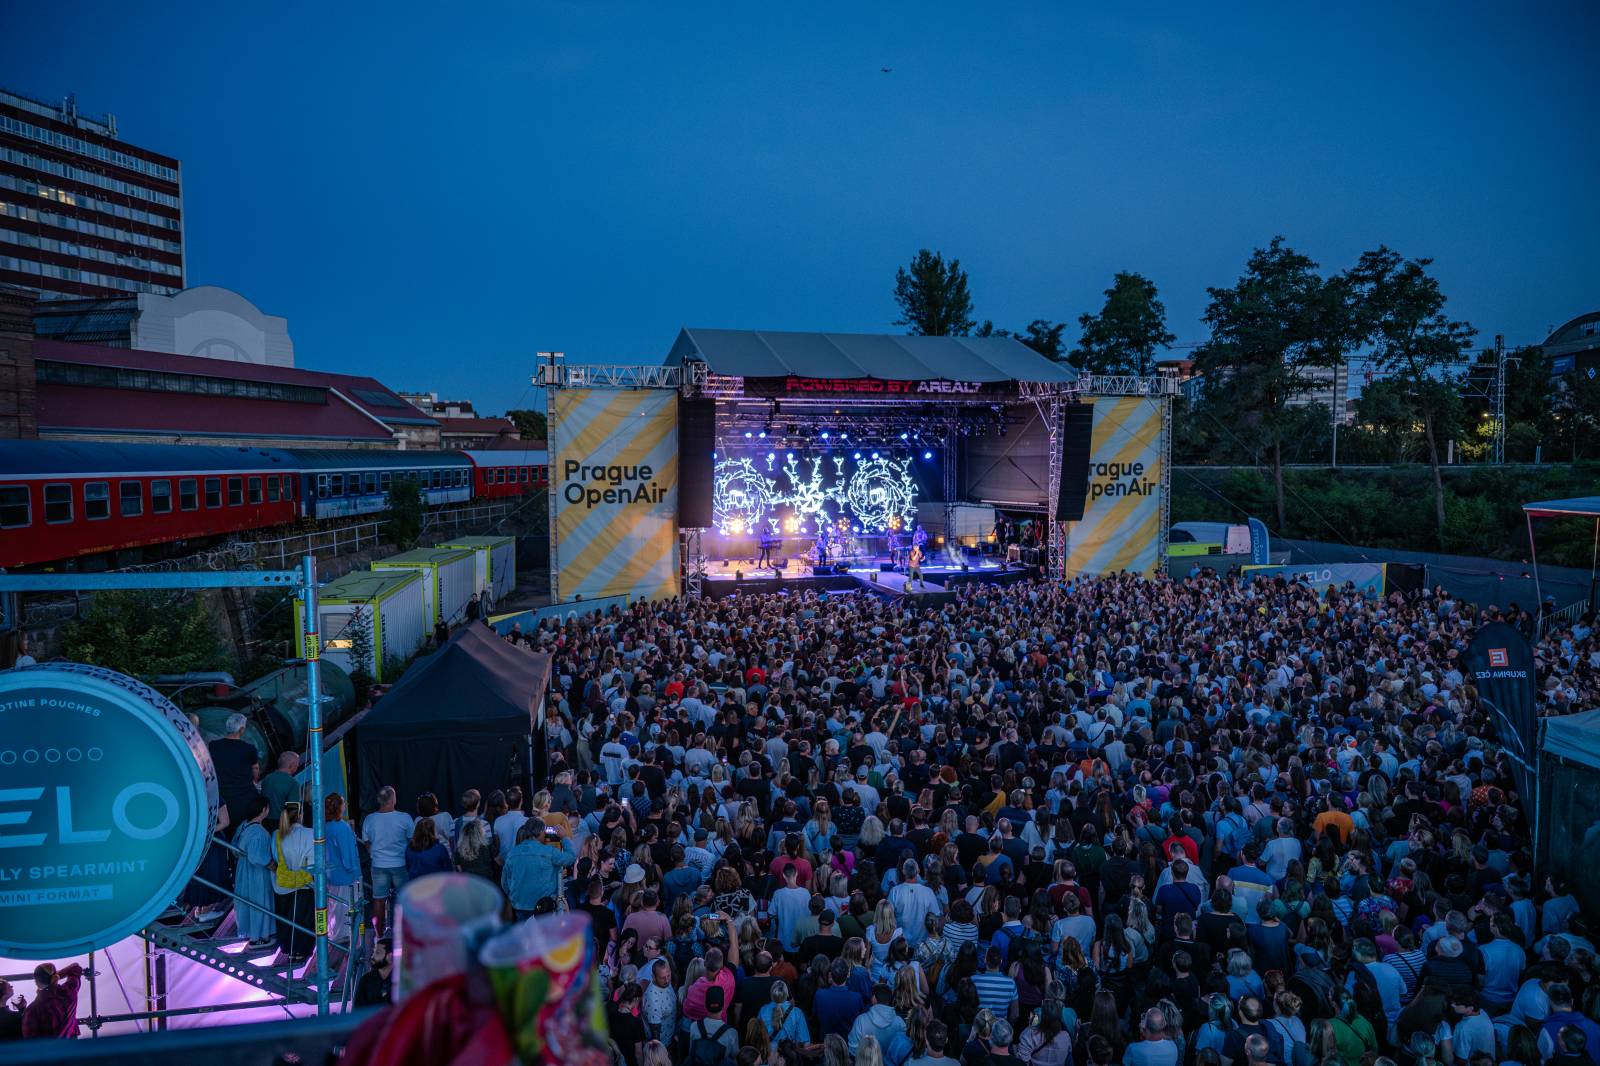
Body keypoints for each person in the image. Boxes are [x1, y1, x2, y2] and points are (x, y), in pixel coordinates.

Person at [361, 786, 414, 935]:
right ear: (392, 799)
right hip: (400, 864)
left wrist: (375, 854)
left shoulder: (369, 819)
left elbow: (366, 843)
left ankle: (379, 936)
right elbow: (412, 841)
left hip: (378, 865)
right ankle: (404, 934)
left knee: (378, 900)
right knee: (404, 899)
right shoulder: (405, 818)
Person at [501, 819, 577, 919]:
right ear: (541, 832)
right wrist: (564, 837)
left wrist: (516, 896)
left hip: (520, 905)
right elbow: (571, 857)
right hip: (543, 906)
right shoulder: (549, 852)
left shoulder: (512, 853)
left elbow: (505, 883)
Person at [272, 801, 316, 961]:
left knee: (287, 920)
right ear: (301, 815)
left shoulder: (277, 834)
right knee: (304, 921)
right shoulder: (311, 833)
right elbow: (314, 861)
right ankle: (302, 952)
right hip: (305, 884)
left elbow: (276, 858)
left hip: (283, 886)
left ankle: (289, 950)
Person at [232, 795, 277, 947]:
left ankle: (252, 933)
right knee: (260, 902)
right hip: (257, 873)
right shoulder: (259, 832)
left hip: (243, 871)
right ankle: (259, 937)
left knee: (247, 902)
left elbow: (235, 848)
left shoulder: (243, 826)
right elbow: (258, 857)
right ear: (264, 810)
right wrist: (274, 867)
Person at [208, 712, 261, 830]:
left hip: (222, 798)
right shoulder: (249, 749)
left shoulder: (213, 746)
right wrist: (255, 781)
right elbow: (255, 769)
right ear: (241, 730)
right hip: (245, 798)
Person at [21, 963, 82, 1039]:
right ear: (55, 977)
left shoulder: (32, 1010)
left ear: (37, 982)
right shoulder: (69, 992)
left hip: (49, 1047)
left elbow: (30, 1040)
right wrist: (56, 976)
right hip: (72, 1046)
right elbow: (75, 967)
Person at [688, 985, 738, 1065]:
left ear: (705, 1006)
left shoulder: (694, 1026)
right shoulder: (731, 1033)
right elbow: (734, 1058)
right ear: (723, 1007)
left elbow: (691, 1053)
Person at [260, 751, 301, 823]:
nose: (298, 766)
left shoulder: (267, 779)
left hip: (264, 822)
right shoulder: (293, 783)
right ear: (291, 765)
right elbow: (292, 810)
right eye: (297, 764)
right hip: (281, 824)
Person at [354, 938, 394, 1008]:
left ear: (390, 956)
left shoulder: (401, 980)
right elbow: (358, 1010)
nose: (372, 956)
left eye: (377, 953)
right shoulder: (366, 980)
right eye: (373, 952)